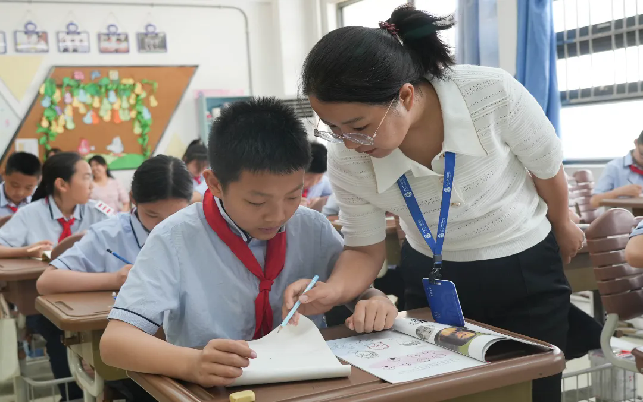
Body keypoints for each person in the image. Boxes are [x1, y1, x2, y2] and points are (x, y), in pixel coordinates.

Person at [283, 6, 585, 402]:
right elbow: (364, 247)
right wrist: (332, 291)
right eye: (333, 129)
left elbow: (546, 168)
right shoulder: (348, 157)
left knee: (532, 387)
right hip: (432, 273)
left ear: (405, 96)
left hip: (524, 265)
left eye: (358, 127)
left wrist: (562, 223)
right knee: (440, 391)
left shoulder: (489, 93)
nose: (349, 143)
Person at [99, 97, 398, 388]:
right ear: (215, 184)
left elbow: (351, 289)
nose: (278, 215)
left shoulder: (312, 227)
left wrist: (374, 301)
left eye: (293, 196)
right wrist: (191, 363)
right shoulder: (175, 237)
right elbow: (115, 342)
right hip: (216, 389)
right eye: (257, 201)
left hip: (306, 384)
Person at [36, 155, 192, 402]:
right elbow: (46, 282)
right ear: (132, 199)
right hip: (136, 355)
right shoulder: (109, 234)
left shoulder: (196, 231)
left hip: (188, 347)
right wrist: (115, 279)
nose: (163, 226)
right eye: (153, 215)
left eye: (174, 215)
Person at [0, 152, 113, 401]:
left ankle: (109, 389)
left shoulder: (99, 212)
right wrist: (26, 251)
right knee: (59, 332)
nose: (92, 184)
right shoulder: (31, 213)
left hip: (95, 297)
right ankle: (72, 396)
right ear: (62, 184)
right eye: (86, 177)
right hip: (46, 300)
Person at [590, 132, 643, 208]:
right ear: (636, 142)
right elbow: (594, 202)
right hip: (623, 214)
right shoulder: (614, 167)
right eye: (642, 154)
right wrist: (619, 192)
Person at [0, 152, 41, 216]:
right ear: (3, 175)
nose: (20, 193)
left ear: (38, 180)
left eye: (28, 188)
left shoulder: (41, 200)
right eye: (15, 185)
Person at [301, 142, 333, 211]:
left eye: (319, 178)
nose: (314, 183)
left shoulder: (323, 181)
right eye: (308, 179)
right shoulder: (285, 184)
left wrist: (320, 201)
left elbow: (334, 197)